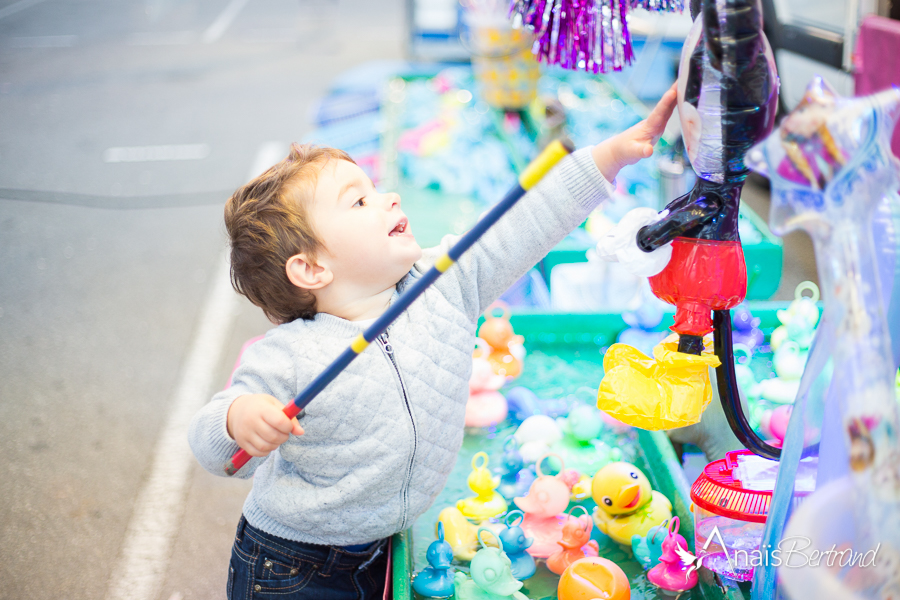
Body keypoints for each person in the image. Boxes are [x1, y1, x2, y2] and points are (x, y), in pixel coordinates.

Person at [188, 87, 677, 600]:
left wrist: (610, 157)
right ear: (311, 268)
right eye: (359, 201)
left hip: (383, 545)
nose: (388, 197)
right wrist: (240, 416)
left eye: (375, 188)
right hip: (292, 567)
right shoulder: (291, 354)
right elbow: (210, 440)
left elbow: (526, 221)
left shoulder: (444, 281)